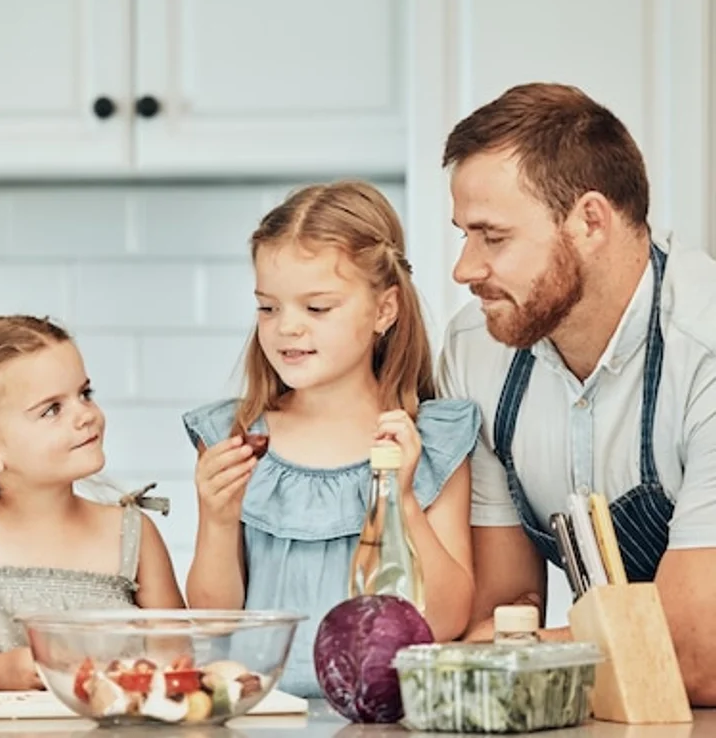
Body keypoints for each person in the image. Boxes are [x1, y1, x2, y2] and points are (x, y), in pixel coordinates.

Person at [437, 82, 716, 704]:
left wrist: (520, 654)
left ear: (590, 221)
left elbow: (698, 655)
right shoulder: (474, 352)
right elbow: (504, 610)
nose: (464, 269)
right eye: (463, 234)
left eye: (493, 236)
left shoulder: (705, 350)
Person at [183, 181, 480, 698]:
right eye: (268, 308)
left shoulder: (428, 443)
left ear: (384, 310)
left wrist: (401, 497)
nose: (286, 329)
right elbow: (216, 621)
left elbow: (448, 619)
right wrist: (217, 517)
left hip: (387, 725)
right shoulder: (235, 438)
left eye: (317, 308)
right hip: (259, 719)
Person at [0, 315, 185, 690]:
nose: (86, 415)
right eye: (52, 409)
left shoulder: (132, 533)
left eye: (85, 394)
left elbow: (178, 659)